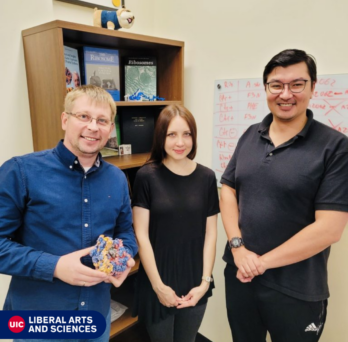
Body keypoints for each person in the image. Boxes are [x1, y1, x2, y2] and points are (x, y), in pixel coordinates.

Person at [220, 49, 348, 342]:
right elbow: (228, 190)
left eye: (297, 84)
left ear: (313, 87)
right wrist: (238, 249)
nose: (286, 94)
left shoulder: (336, 147)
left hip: (297, 289)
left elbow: (330, 229)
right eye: (276, 85)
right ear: (266, 88)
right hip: (240, 277)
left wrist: (261, 263)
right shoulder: (251, 134)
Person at [0, 85, 138, 342]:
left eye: (102, 120)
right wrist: (54, 266)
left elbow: (125, 232)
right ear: (65, 119)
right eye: (83, 116)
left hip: (96, 314)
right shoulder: (20, 171)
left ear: (110, 129)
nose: (93, 127)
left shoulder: (117, 179)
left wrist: (123, 256)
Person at [132, 104, 219, 342]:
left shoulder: (207, 177)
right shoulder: (146, 176)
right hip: (157, 279)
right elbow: (141, 235)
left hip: (195, 280)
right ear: (161, 137)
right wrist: (159, 286)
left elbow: (211, 234)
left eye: (186, 134)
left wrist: (204, 282)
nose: (180, 142)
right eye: (172, 134)